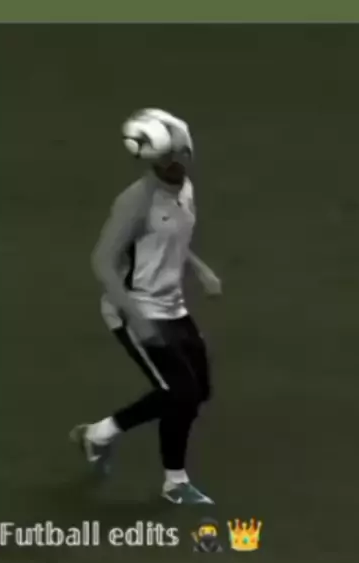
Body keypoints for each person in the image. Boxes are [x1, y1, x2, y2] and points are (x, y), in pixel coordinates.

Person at [70, 109, 222, 505]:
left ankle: (97, 435)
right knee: (180, 392)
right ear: (154, 158)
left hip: (172, 306)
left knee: (198, 390)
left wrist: (200, 269)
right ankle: (175, 483)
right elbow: (102, 261)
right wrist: (137, 319)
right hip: (135, 309)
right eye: (170, 156)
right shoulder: (136, 202)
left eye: (181, 154)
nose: (178, 162)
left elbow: (172, 236)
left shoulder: (184, 188)